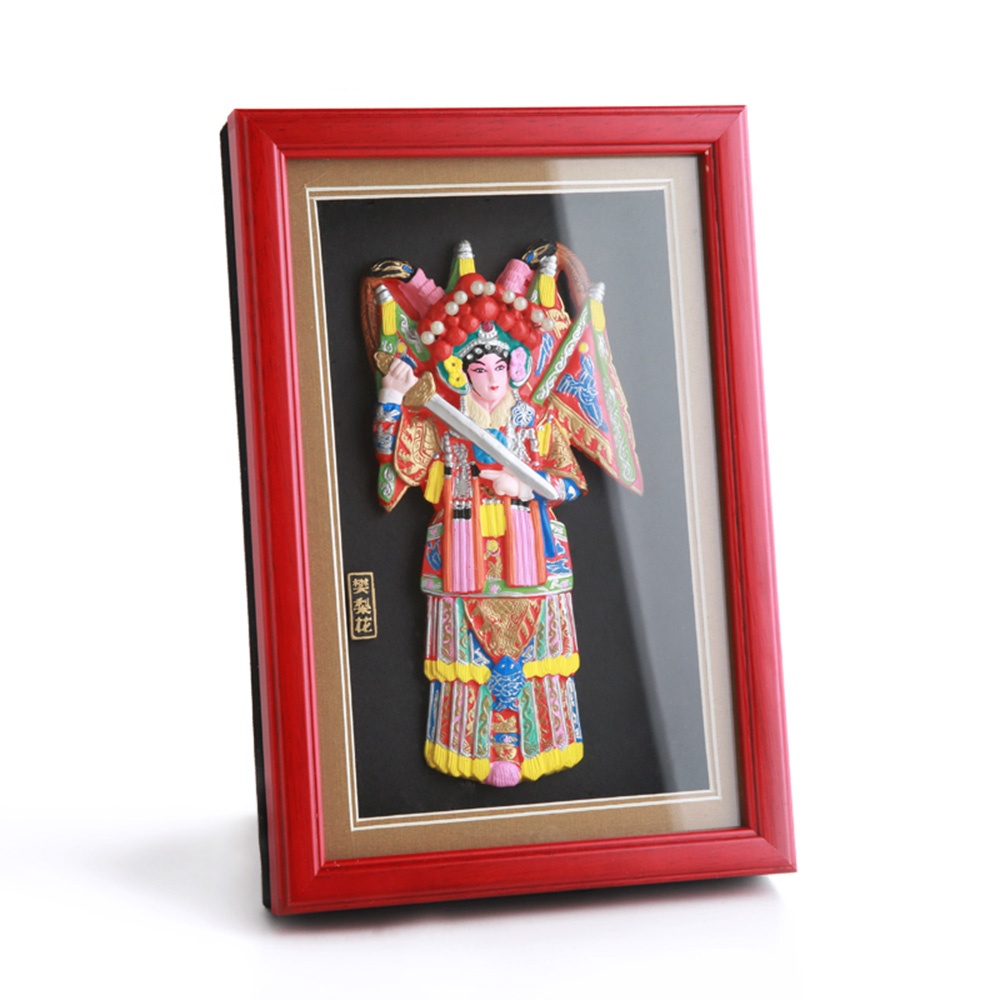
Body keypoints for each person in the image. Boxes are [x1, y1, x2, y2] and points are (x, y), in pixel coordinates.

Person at [366, 243, 640, 787]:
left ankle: (534, 744)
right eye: (478, 367)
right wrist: (391, 397)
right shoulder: (443, 421)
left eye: (499, 365)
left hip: (532, 553)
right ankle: (471, 746)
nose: (490, 377)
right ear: (459, 370)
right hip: (460, 557)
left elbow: (569, 482)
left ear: (515, 366)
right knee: (465, 664)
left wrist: (524, 484)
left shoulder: (536, 422)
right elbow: (395, 460)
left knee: (536, 661)